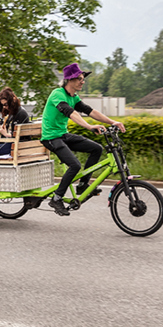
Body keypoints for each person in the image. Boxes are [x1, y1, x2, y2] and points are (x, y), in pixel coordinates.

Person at [42, 63, 125, 216]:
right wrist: (89, 127)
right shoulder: (57, 94)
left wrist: (113, 122)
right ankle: (57, 198)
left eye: (83, 78)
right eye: (80, 78)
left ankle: (83, 184)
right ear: (69, 80)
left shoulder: (74, 97)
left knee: (96, 148)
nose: (83, 81)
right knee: (74, 165)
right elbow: (71, 113)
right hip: (51, 138)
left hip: (63, 135)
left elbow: (90, 111)